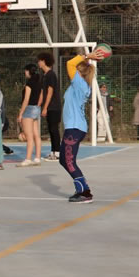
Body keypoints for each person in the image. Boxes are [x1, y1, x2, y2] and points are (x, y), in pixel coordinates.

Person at [60, 50, 102, 203]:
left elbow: (69, 63)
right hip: (76, 128)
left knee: (68, 161)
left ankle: (84, 193)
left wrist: (87, 56)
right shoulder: (82, 85)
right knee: (65, 160)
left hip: (74, 128)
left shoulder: (79, 82)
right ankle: (82, 189)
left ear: (79, 72)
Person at [17, 64, 43, 167]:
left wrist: (21, 113)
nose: (25, 73)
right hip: (36, 108)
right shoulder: (39, 81)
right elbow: (41, 95)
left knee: (29, 135)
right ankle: (37, 158)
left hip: (29, 109)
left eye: (25, 71)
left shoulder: (29, 83)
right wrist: (38, 105)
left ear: (28, 71)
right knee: (36, 134)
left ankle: (28, 158)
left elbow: (26, 99)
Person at [37, 51, 62, 160]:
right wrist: (39, 105)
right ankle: (53, 151)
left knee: (54, 129)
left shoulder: (51, 74)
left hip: (54, 106)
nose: (38, 62)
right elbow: (43, 91)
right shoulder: (44, 76)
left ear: (44, 61)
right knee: (51, 129)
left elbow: (50, 91)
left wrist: (46, 107)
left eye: (39, 60)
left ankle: (57, 152)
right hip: (48, 106)